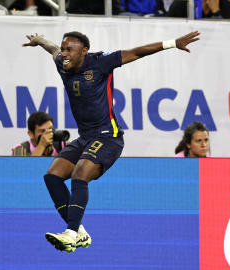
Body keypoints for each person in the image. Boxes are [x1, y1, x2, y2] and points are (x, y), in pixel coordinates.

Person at [22, 30, 201, 253]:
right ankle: (79, 231)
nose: (64, 54)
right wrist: (39, 41)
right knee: (52, 176)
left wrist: (173, 42)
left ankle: (70, 233)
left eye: (70, 50)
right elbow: (52, 48)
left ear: (84, 52)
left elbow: (137, 52)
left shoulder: (101, 62)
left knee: (79, 174)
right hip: (86, 138)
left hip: (109, 137)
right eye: (64, 49)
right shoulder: (61, 62)